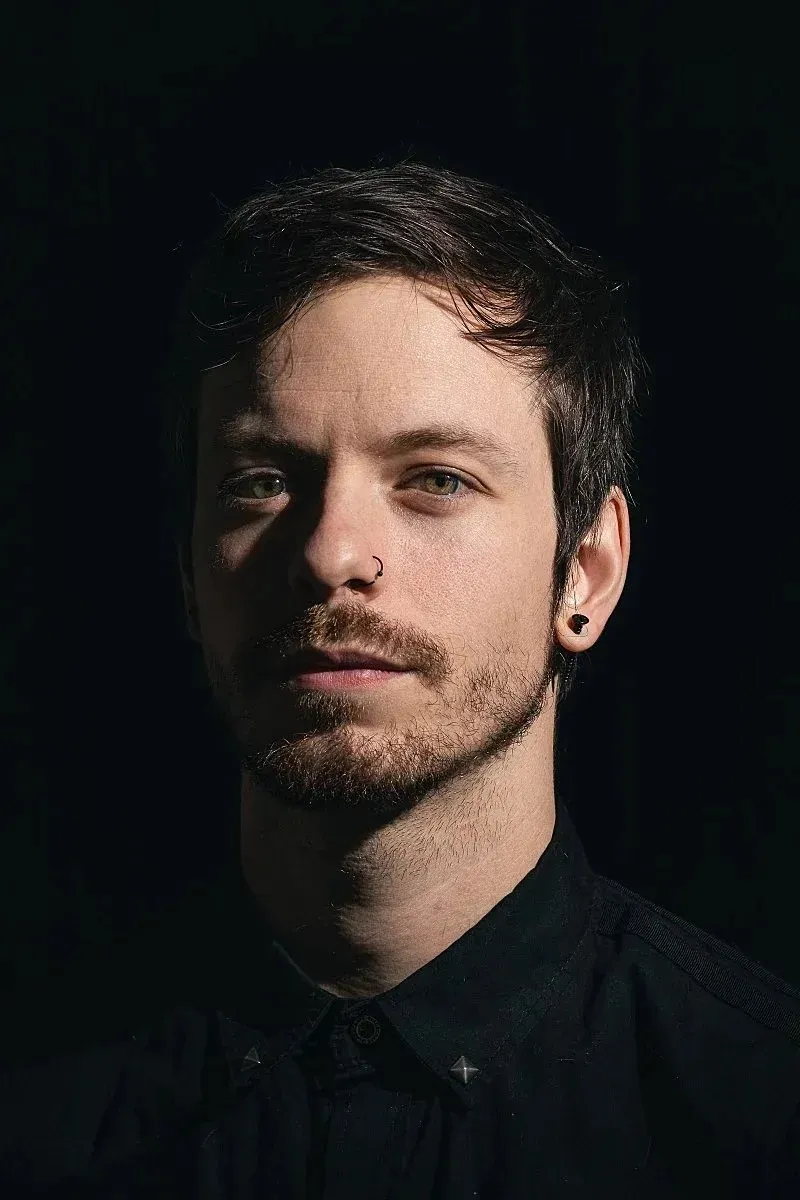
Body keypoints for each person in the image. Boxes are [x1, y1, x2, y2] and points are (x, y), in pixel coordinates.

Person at [2, 160, 798, 1198]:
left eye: (434, 479)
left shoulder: (759, 1121)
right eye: (260, 481)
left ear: (586, 570)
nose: (330, 551)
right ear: (188, 579)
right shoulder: (30, 1113)